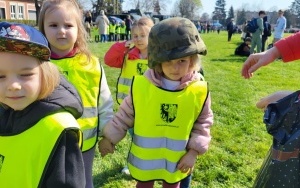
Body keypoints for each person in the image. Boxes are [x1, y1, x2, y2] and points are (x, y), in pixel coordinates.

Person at [99, 17, 213, 188]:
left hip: (177, 159)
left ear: (192, 59)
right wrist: (110, 138)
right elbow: (124, 115)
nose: (175, 68)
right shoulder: (143, 86)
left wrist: (193, 152)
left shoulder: (198, 90)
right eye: (168, 61)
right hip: (146, 160)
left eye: (182, 60)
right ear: (157, 60)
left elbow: (203, 123)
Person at [38, 0, 114, 188]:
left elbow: (104, 102)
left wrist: (108, 136)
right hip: (46, 141)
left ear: (79, 29)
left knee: (83, 182)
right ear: (43, 28)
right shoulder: (36, 64)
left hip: (84, 143)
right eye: (53, 25)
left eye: (68, 25)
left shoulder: (92, 65)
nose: (61, 31)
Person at [0, 22, 85, 187]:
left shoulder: (60, 129)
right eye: (0, 77)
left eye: (25, 75)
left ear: (45, 75)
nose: (13, 86)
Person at [104, 16, 154, 105]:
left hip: (149, 103)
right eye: (135, 36)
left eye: (143, 35)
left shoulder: (157, 56)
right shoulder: (128, 55)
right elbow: (108, 60)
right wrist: (123, 45)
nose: (138, 39)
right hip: (128, 104)